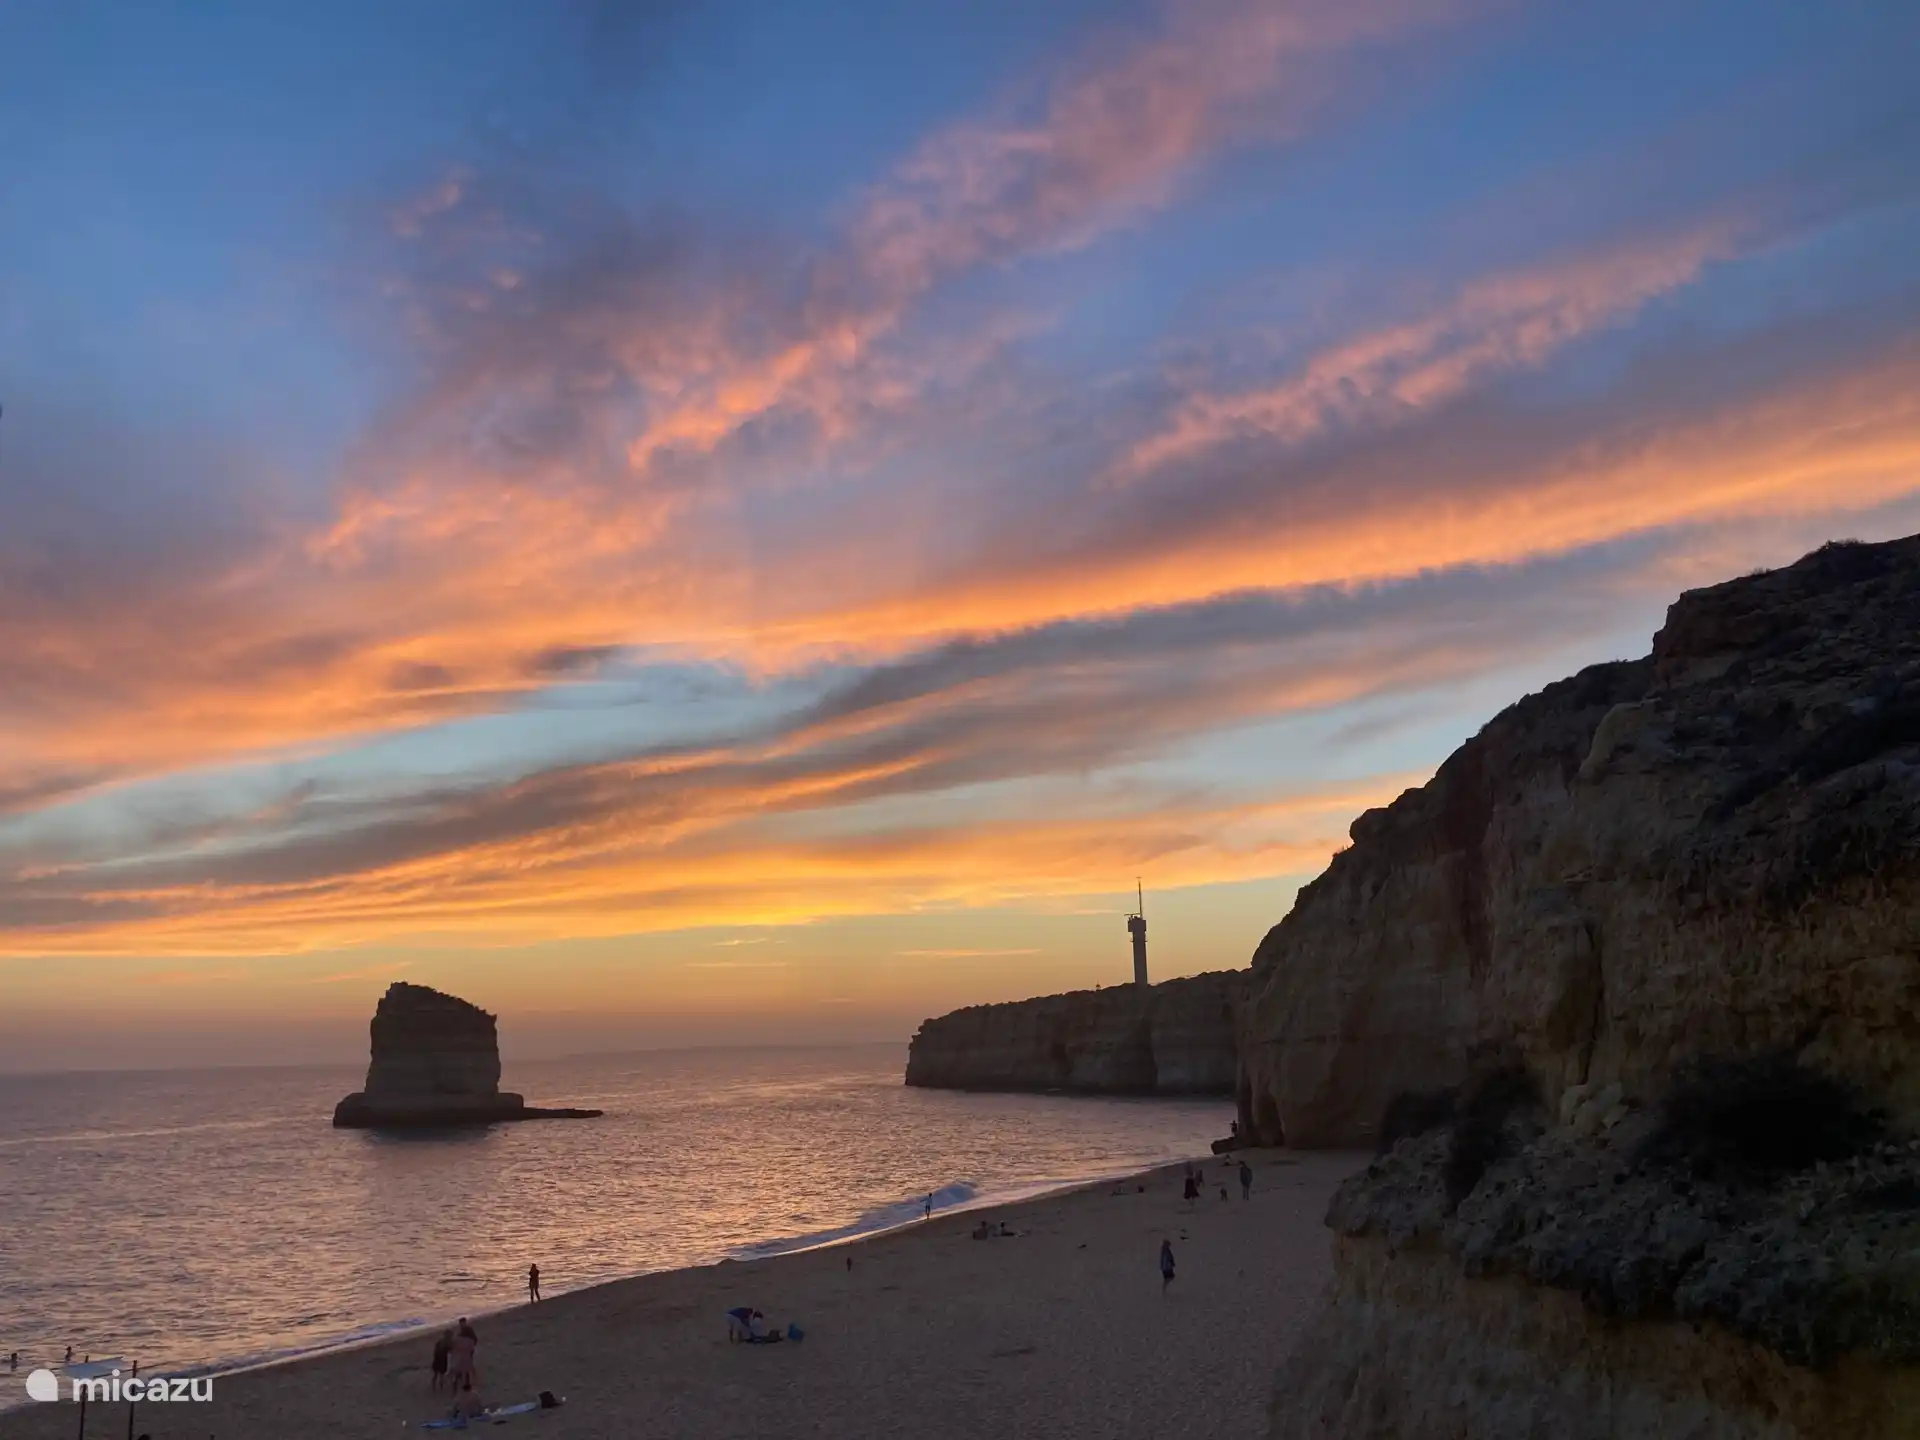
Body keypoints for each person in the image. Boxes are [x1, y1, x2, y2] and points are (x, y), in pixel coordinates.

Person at [449, 1321, 478, 1391]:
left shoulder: (458, 1339)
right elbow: (472, 1348)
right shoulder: (470, 1341)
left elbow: (453, 1347)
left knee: (457, 1374)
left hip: (459, 1357)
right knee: (467, 1372)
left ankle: (455, 1389)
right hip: (466, 1357)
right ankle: (467, 1387)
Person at [429, 1329, 452, 1394]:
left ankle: (434, 1387)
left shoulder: (440, 1342)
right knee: (441, 1375)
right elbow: (450, 1350)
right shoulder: (447, 1343)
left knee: (435, 1375)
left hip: (437, 1359)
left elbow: (435, 1351)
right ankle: (440, 1387)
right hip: (442, 1360)